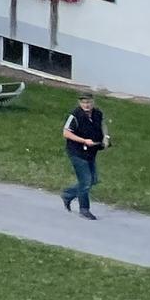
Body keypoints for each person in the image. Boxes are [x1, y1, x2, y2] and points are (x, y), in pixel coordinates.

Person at [64, 91, 108, 219]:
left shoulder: (98, 113)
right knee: (86, 181)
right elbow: (66, 133)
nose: (86, 105)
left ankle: (68, 194)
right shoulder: (75, 115)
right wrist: (84, 141)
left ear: (93, 102)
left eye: (88, 102)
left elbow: (103, 125)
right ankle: (84, 209)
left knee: (93, 180)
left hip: (91, 152)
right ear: (80, 103)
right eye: (83, 102)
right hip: (76, 152)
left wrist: (106, 137)